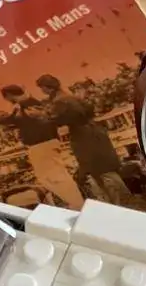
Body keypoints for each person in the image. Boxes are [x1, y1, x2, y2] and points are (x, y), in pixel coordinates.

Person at [35, 74, 131, 206]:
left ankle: (120, 202)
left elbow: (56, 120)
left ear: (48, 87)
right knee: (104, 168)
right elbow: (90, 110)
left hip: (82, 135)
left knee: (98, 169)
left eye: (42, 88)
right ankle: (122, 201)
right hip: (94, 130)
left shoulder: (60, 101)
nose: (42, 91)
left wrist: (42, 118)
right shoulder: (71, 96)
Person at [0, 84, 82, 207]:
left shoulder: (27, 104)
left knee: (56, 177)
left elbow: (14, 121)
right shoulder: (26, 105)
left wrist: (8, 116)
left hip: (42, 145)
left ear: (8, 96)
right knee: (48, 178)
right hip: (42, 145)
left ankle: (77, 204)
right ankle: (75, 203)